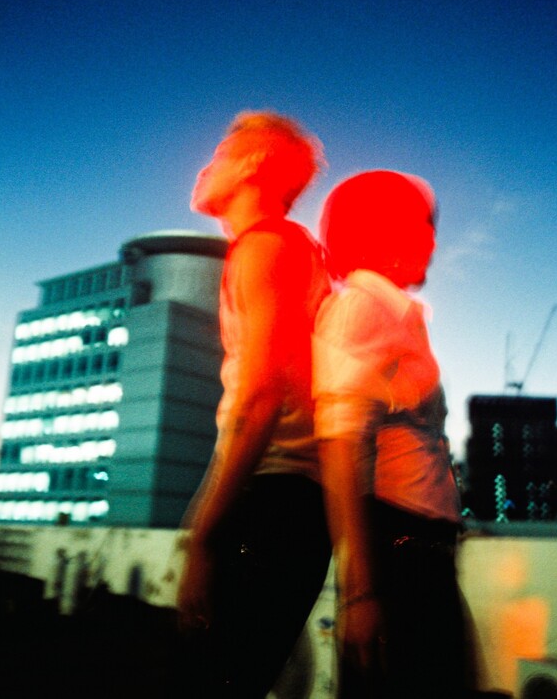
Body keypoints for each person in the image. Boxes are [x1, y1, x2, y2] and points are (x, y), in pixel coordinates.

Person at [176, 110, 332, 698]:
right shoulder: (291, 249)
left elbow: (261, 398)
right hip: (288, 506)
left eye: (218, 154)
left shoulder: (265, 247)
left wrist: (203, 536)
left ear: (252, 164)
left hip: (272, 506)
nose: (203, 168)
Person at [312, 170, 467, 698]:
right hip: (397, 555)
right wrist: (360, 593)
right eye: (422, 226)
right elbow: (338, 446)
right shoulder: (362, 307)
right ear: (379, 230)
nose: (433, 242)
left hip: (421, 551)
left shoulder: (396, 314)